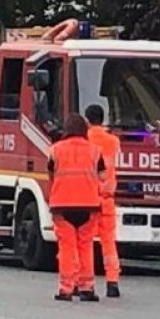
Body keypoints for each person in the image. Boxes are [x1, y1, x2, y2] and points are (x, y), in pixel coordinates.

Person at [48, 114, 105, 302]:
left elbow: (51, 174)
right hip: (89, 205)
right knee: (86, 246)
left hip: (62, 205)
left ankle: (66, 289)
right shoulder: (95, 151)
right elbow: (102, 176)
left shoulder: (55, 150)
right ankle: (87, 288)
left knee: (66, 248)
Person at [85, 104, 122, 298]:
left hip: (88, 199)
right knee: (109, 243)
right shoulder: (113, 141)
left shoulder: (85, 140)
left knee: (85, 242)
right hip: (107, 199)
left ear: (87, 119)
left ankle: (83, 282)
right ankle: (112, 282)